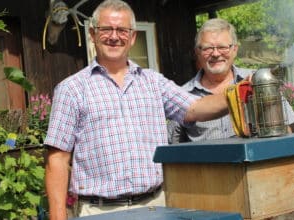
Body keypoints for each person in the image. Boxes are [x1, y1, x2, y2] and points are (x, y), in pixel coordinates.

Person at [44, 1, 230, 219]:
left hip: (155, 205)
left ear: (132, 37)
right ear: (92, 34)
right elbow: (56, 160)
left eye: (122, 30)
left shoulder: (153, 82)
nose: (114, 36)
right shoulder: (72, 89)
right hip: (98, 211)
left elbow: (196, 108)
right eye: (106, 29)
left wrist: (242, 92)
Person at [168, 18, 294, 144]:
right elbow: (173, 145)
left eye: (222, 47)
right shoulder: (182, 95)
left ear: (235, 49)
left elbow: (285, 130)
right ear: (197, 52)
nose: (215, 54)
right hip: (209, 166)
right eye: (208, 48)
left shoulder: (259, 81)